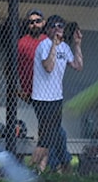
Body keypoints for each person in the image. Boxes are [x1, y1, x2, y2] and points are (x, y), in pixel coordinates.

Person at [15, 9, 71, 173]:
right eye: (31, 22)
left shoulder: (50, 41)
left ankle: (48, 166)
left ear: (44, 23)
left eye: (38, 20)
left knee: (53, 130)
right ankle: (55, 165)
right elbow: (17, 68)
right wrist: (20, 89)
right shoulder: (22, 43)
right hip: (33, 93)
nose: (34, 24)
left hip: (50, 94)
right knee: (52, 130)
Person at [31, 14, 83, 172]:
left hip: (56, 97)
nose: (57, 29)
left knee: (52, 134)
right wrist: (54, 44)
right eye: (54, 26)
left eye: (60, 26)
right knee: (49, 135)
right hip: (41, 97)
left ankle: (43, 169)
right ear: (48, 29)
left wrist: (77, 44)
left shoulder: (65, 47)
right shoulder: (43, 45)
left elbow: (78, 66)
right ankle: (40, 167)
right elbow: (48, 67)